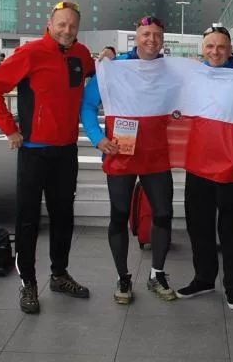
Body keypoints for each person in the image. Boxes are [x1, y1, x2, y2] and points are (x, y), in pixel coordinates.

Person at [0, 1, 96, 315]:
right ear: (50, 23)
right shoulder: (30, 53)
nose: (67, 30)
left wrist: (113, 56)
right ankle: (28, 282)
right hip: (33, 152)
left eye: (72, 25)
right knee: (27, 219)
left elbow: (100, 71)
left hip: (66, 152)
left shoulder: (82, 54)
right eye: (61, 24)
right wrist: (10, 129)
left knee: (63, 217)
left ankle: (59, 275)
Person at [81, 16, 177, 305]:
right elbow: (87, 104)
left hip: (156, 154)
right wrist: (98, 138)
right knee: (119, 215)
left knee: (163, 214)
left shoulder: (172, 70)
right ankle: (123, 276)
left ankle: (157, 274)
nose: (152, 40)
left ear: (163, 40)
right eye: (146, 34)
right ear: (136, 37)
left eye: (157, 35)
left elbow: (209, 80)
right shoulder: (115, 67)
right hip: (120, 152)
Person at [175, 26, 233, 310]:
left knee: (232, 229)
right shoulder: (193, 76)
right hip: (198, 164)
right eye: (209, 46)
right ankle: (204, 278)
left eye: (220, 47)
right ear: (202, 49)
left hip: (231, 166)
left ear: (230, 50)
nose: (215, 52)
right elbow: (149, 68)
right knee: (198, 226)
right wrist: (113, 56)